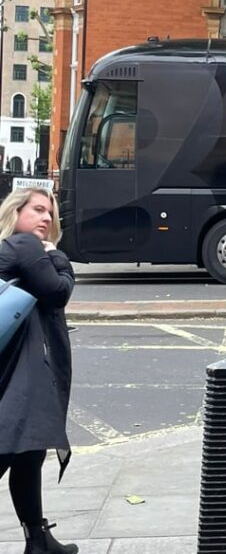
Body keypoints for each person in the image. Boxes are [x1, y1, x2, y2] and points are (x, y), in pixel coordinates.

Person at [0, 186, 77, 554]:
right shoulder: (26, 245)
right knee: (10, 441)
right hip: (21, 370)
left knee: (29, 451)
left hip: (15, 362)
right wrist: (57, 257)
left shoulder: (9, 248)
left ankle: (39, 539)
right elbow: (58, 292)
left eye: (50, 213)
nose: (46, 218)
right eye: (37, 209)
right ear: (16, 213)